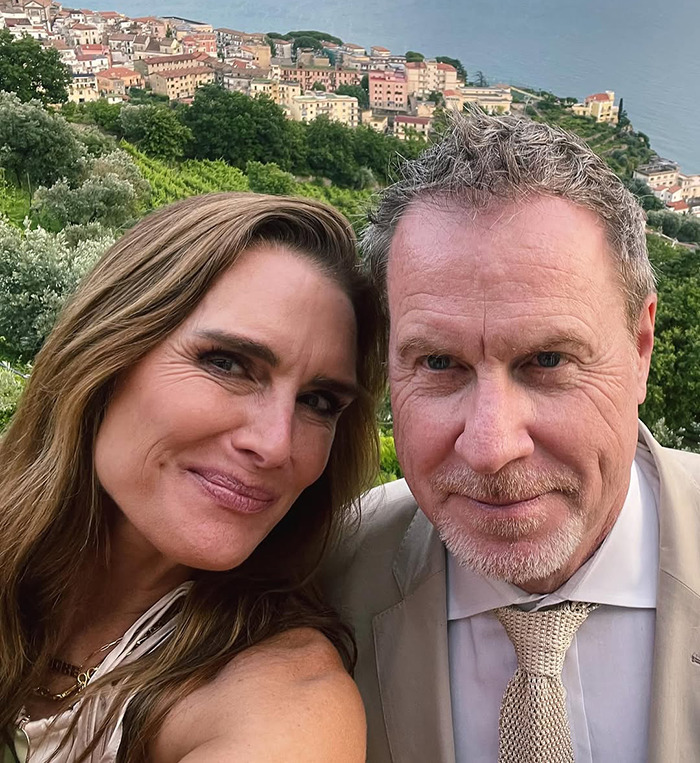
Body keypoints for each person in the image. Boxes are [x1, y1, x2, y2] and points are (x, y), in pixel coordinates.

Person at [324, 112, 700, 762]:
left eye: (547, 360)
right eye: (439, 363)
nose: (491, 447)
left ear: (640, 348)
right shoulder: (324, 582)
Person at [0, 192, 385, 762]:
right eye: (227, 364)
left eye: (318, 401)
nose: (275, 444)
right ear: (108, 355)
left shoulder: (285, 703)